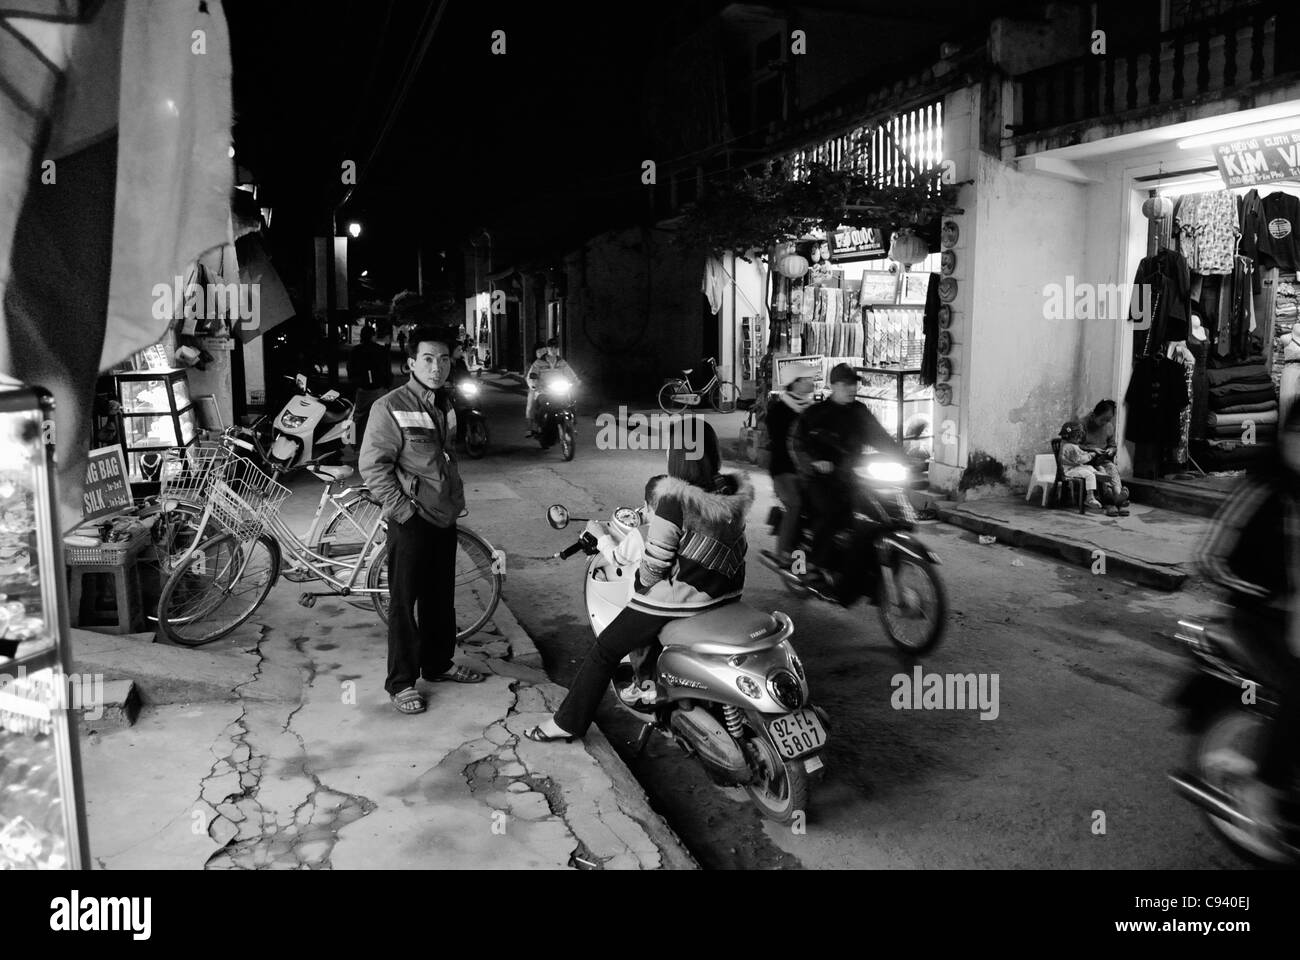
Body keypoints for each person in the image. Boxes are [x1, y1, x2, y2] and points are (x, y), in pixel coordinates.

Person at [524, 419, 754, 742]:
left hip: (686, 599)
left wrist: (640, 583)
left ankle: (567, 722)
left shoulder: (674, 500)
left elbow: (654, 566)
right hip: (729, 592)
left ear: (676, 456)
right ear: (712, 453)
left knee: (606, 649)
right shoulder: (731, 491)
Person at [359, 323, 485, 715]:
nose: (437, 367)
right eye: (428, 359)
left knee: (439, 598)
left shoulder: (443, 404)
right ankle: (400, 682)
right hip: (411, 519)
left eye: (445, 359)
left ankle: (437, 664)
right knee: (404, 602)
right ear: (411, 362)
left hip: (442, 516)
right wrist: (404, 512)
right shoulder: (390, 406)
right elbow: (372, 466)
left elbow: (440, 458)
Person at [1197, 400, 1300, 847]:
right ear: (1286, 437)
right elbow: (1208, 558)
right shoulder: (1261, 487)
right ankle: (1262, 787)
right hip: (1254, 619)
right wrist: (1268, 597)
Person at [793, 363, 903, 592]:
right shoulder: (816, 413)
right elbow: (800, 444)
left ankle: (862, 569)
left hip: (851, 477)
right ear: (833, 386)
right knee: (831, 512)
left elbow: (880, 437)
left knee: (879, 514)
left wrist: (902, 456)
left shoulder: (860, 411)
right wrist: (816, 462)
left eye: (853, 384)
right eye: (845, 384)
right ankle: (815, 565)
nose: (851, 388)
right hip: (820, 479)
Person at [762, 362, 817, 569]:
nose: (812, 383)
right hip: (784, 471)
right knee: (795, 506)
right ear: (794, 383)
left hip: (809, 470)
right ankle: (784, 554)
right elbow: (781, 447)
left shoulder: (812, 408)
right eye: (807, 379)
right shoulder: (779, 411)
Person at [346, 322, 393, 450]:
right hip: (379, 388)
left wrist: (355, 383)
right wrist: (388, 384)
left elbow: (350, 369)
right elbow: (387, 370)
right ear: (373, 336)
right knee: (382, 416)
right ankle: (381, 445)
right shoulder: (381, 350)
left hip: (363, 389)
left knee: (358, 416)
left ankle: (354, 443)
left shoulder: (356, 351)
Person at [1081, 399, 1129, 516]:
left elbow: (1112, 445)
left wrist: (1111, 450)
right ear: (1093, 415)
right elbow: (1074, 446)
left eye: (1108, 420)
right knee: (1102, 472)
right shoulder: (1082, 425)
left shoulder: (1109, 427)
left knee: (1112, 467)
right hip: (1088, 461)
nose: (1105, 423)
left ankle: (1118, 495)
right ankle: (1111, 503)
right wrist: (1092, 449)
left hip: (1103, 459)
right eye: (1103, 419)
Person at [525, 337, 580, 436]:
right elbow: (531, 376)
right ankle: (538, 426)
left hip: (559, 390)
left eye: (556, 348)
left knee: (570, 404)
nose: (554, 350)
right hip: (544, 391)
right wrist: (534, 385)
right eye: (551, 348)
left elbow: (570, 373)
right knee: (542, 407)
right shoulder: (538, 363)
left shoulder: (561, 362)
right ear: (547, 349)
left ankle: (572, 426)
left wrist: (576, 381)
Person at [1058, 421, 1106, 512]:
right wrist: (1090, 455)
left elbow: (1080, 453)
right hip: (1069, 470)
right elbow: (1079, 459)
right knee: (1089, 474)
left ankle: (1097, 474)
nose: (1080, 439)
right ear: (1075, 436)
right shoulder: (1071, 447)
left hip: (1072, 467)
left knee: (1089, 468)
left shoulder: (1067, 445)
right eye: (1079, 437)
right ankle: (1090, 498)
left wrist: (1087, 453)